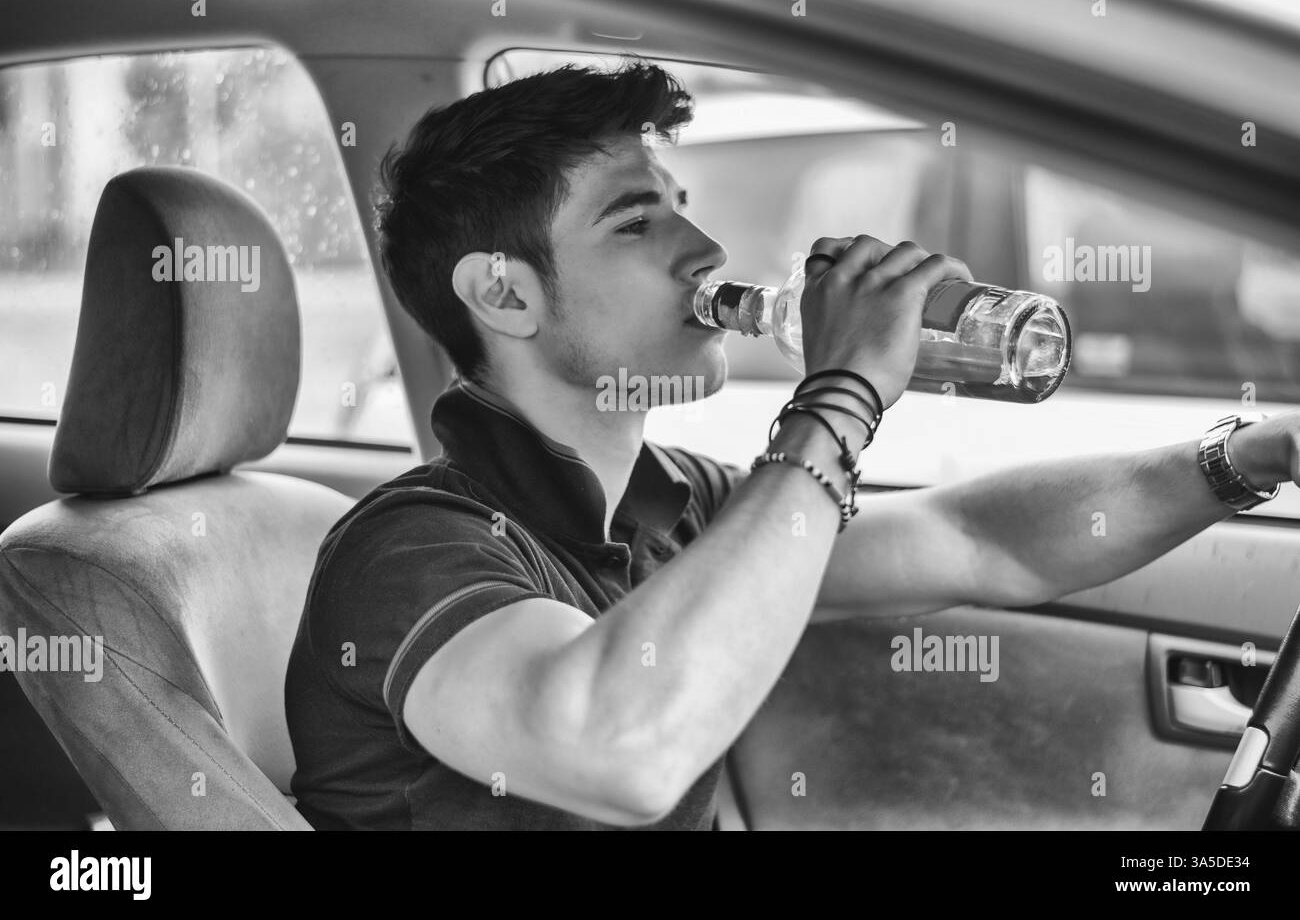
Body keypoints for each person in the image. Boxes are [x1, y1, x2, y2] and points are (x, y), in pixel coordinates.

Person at [284, 60, 1299, 830]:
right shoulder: (412, 552)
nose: (708, 253)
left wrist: (1242, 458)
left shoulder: (673, 501)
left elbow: (981, 538)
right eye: (638, 222)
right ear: (502, 293)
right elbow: (618, 744)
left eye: (681, 203)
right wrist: (842, 395)